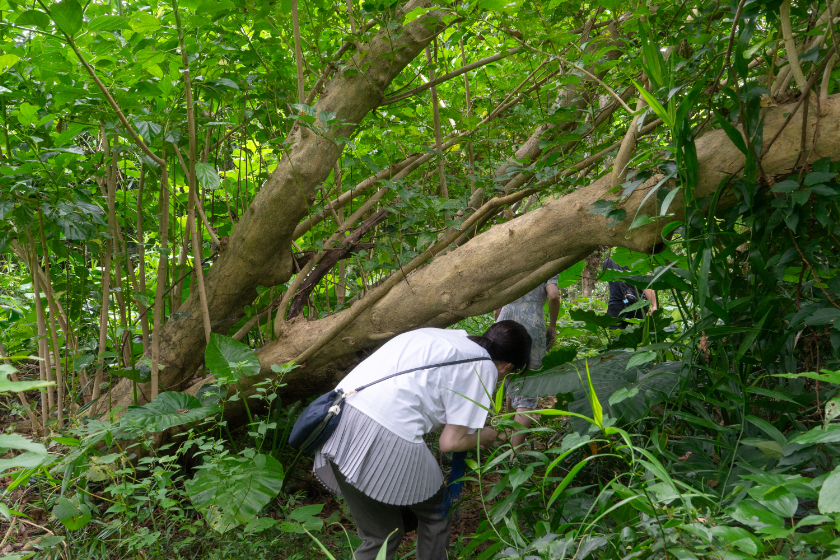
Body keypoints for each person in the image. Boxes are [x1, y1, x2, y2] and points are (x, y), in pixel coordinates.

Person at [312, 321, 532, 560]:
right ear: (506, 366)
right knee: (438, 513)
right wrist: (486, 436)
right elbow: (450, 443)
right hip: (384, 432)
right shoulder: (483, 365)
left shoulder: (442, 337)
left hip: (335, 421)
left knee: (382, 534)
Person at [494, 275, 560, 448]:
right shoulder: (549, 262)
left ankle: (509, 430)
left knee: (510, 375)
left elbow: (498, 300)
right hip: (531, 324)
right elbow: (553, 295)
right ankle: (515, 454)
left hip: (505, 320)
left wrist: (498, 320)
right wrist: (553, 324)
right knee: (527, 389)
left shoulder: (515, 259)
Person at [602, 256, 657, 328]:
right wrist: (654, 305)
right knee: (637, 336)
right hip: (635, 305)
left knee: (615, 336)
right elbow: (645, 285)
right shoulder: (634, 260)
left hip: (615, 307)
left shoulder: (606, 263)